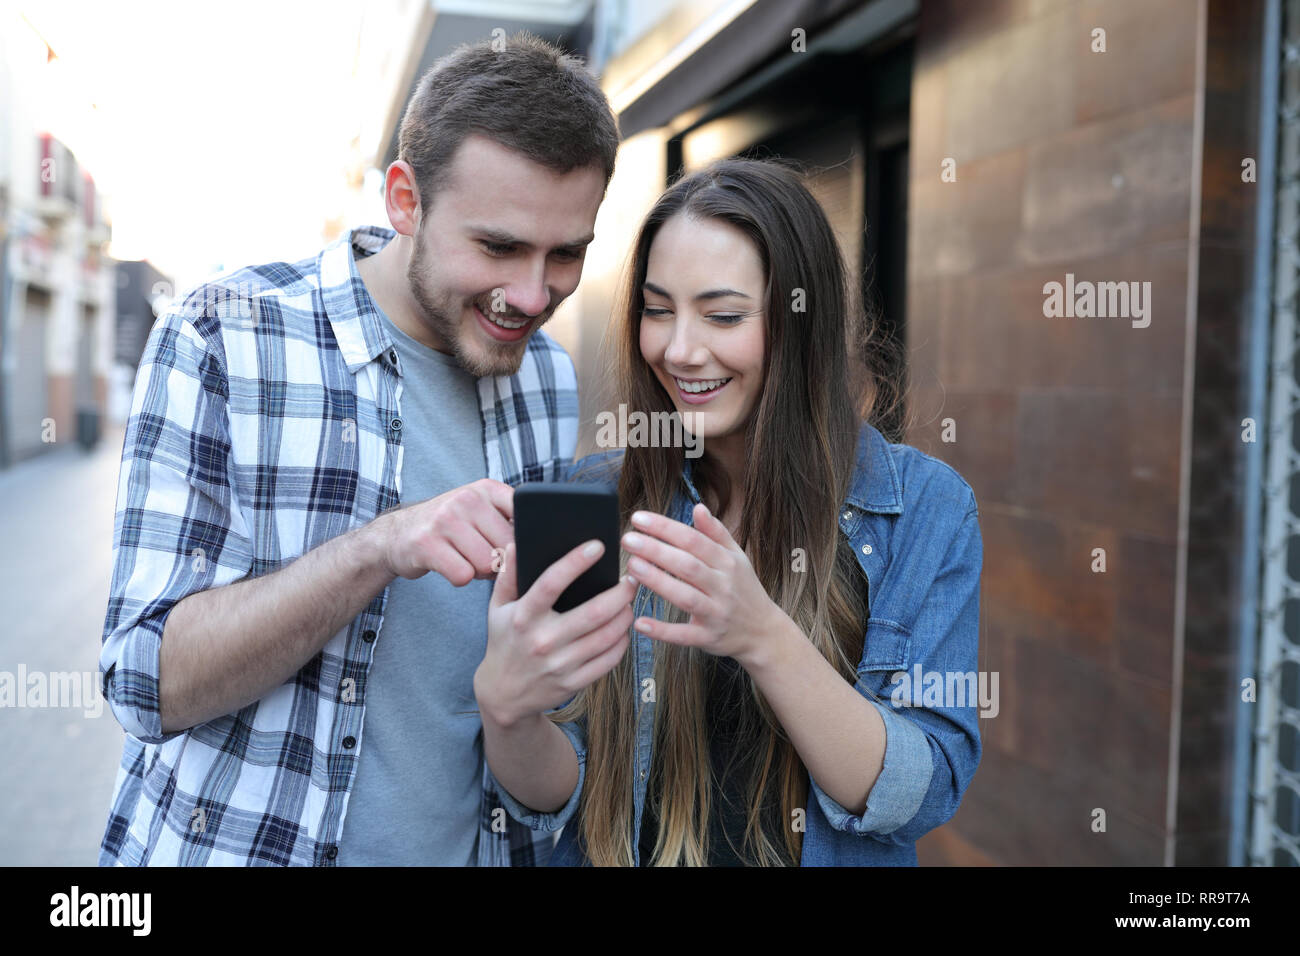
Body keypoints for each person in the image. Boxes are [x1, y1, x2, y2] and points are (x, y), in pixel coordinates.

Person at [97, 32, 619, 866]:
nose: (531, 294)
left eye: (567, 255)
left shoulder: (549, 380)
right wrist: (381, 547)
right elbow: (144, 682)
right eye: (498, 247)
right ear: (405, 201)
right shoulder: (222, 335)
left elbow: (536, 713)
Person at [476, 157, 983, 865]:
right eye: (657, 310)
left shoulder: (926, 510)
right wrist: (509, 713)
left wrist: (761, 637)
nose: (680, 350)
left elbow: (917, 794)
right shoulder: (600, 496)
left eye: (722, 315)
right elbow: (562, 791)